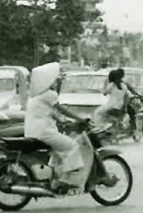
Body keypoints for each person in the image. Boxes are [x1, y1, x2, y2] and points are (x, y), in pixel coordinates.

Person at [25, 62, 98, 192]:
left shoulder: (35, 96)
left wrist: (67, 122)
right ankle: (66, 180)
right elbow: (63, 110)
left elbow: (55, 115)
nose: (56, 82)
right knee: (73, 146)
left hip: (33, 131)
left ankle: (55, 179)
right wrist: (80, 119)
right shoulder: (49, 94)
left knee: (59, 151)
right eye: (54, 80)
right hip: (44, 132)